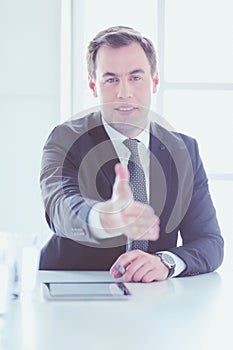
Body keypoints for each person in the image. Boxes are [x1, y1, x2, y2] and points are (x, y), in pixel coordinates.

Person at [39, 26, 224, 282]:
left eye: (135, 78)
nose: (124, 92)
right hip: (75, 285)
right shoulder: (67, 139)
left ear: (154, 81)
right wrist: (106, 218)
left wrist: (166, 262)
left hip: (152, 295)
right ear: (94, 86)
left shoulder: (184, 150)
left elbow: (209, 242)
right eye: (111, 79)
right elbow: (60, 208)